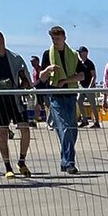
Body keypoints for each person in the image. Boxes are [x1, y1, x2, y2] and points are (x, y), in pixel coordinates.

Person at [0, 30, 34, 178]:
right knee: (2, 133)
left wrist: (20, 89)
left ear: (1, 41)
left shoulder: (15, 58)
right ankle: (7, 166)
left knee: (25, 129)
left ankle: (22, 161)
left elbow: (26, 79)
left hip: (14, 100)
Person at [39, 25, 84, 174]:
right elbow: (41, 77)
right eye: (53, 39)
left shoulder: (72, 55)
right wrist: (47, 70)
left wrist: (65, 81)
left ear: (64, 38)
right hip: (55, 96)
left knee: (72, 129)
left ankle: (64, 160)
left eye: (58, 38)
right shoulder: (47, 54)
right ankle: (69, 162)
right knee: (64, 128)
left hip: (70, 94)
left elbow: (82, 75)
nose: (55, 41)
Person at [76, 46, 101, 129]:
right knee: (79, 101)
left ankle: (96, 122)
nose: (79, 53)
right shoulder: (79, 63)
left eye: (81, 52)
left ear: (85, 53)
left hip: (89, 86)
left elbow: (94, 76)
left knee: (92, 104)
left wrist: (90, 86)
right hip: (82, 86)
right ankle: (84, 120)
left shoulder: (90, 63)